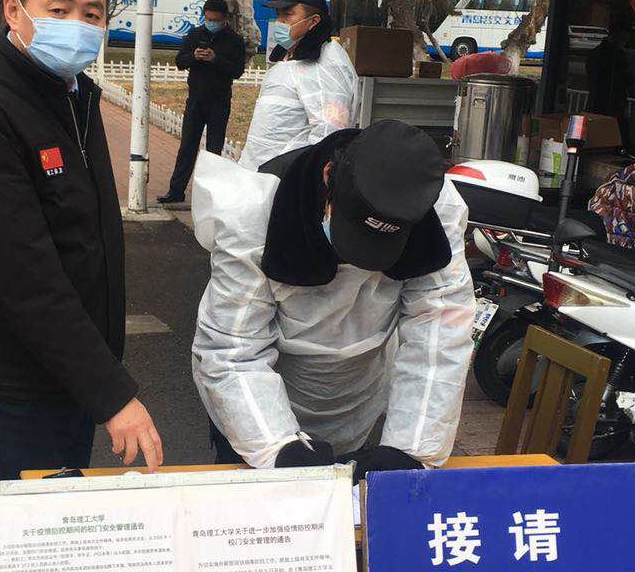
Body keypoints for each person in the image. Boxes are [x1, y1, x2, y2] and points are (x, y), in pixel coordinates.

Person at [0, 0, 163, 572]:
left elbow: (87, 240)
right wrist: (113, 395)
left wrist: (94, 380)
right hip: (7, 389)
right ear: (14, 8)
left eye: (92, 13)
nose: (77, 26)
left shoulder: (73, 93)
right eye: (59, 9)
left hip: (66, 380)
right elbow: (24, 278)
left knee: (51, 549)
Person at [190, 119, 475, 479]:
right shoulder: (256, 213)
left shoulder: (427, 206)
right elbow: (233, 350)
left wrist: (410, 449)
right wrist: (277, 449)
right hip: (252, 401)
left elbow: (439, 335)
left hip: (355, 394)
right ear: (328, 177)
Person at [238, 0, 360, 171]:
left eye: (288, 14)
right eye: (278, 15)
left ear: (313, 21)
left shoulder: (324, 65)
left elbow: (329, 134)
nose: (280, 22)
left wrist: (301, 179)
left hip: (286, 179)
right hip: (261, 175)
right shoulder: (291, 57)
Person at [157, 0, 246, 204]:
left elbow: (237, 71)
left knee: (214, 149)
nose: (211, 23)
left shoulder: (235, 40)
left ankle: (209, 195)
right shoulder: (195, 35)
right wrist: (193, 56)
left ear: (224, 19)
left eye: (215, 20)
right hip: (196, 99)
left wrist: (216, 59)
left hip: (219, 100)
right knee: (187, 146)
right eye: (208, 19)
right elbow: (180, 61)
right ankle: (176, 191)